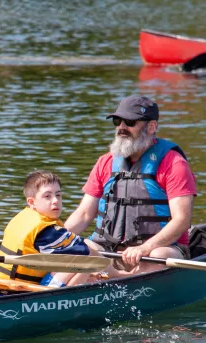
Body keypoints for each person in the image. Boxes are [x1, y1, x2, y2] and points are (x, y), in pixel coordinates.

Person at [64, 95, 196, 274]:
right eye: (117, 121)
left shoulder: (174, 163)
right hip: (108, 249)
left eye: (130, 122)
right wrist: (58, 239)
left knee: (156, 255)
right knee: (78, 248)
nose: (121, 128)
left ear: (151, 127)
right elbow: (84, 214)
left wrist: (144, 248)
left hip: (158, 250)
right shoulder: (106, 162)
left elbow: (181, 220)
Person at [0, 170, 112, 296]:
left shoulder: (25, 217)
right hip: (17, 293)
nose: (55, 201)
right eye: (47, 196)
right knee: (86, 262)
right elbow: (88, 253)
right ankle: (66, 301)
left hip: (0, 290)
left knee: (78, 257)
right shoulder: (46, 231)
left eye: (58, 195)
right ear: (31, 202)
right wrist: (120, 274)